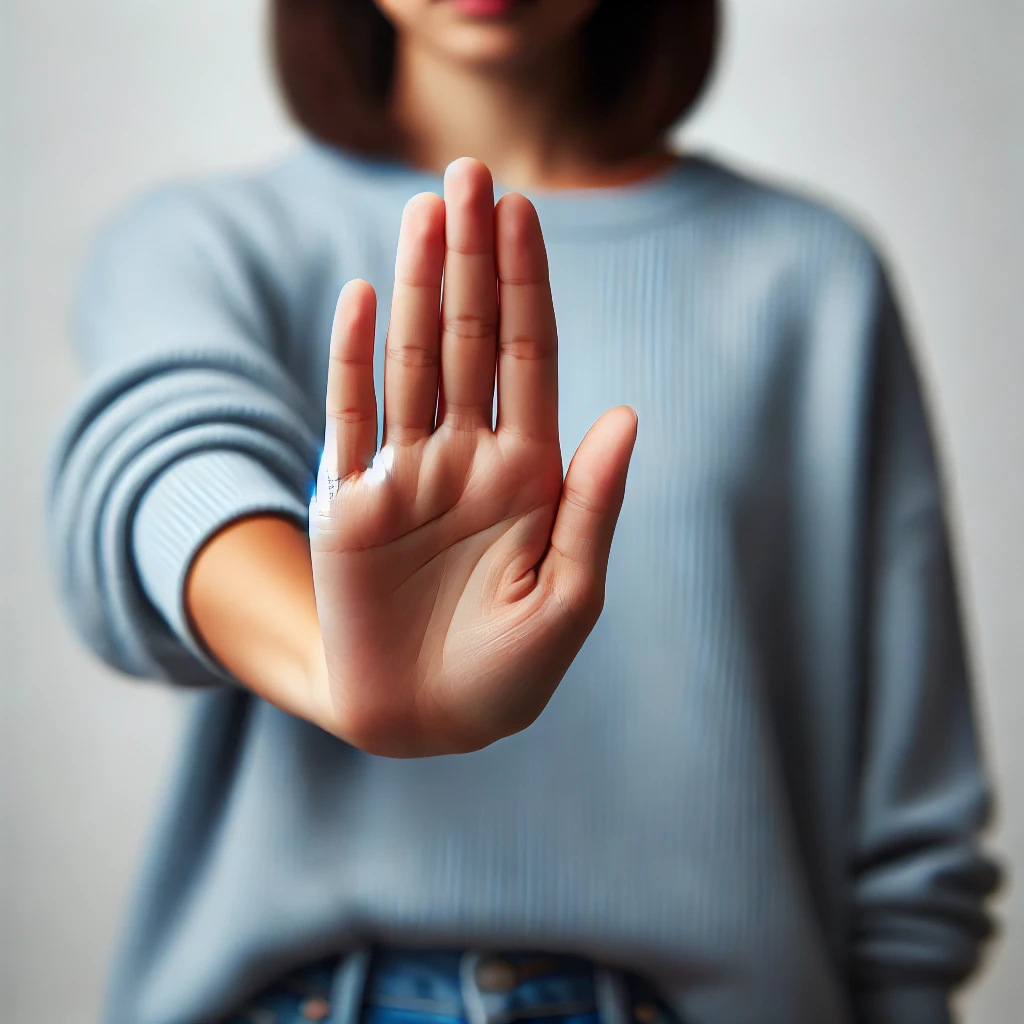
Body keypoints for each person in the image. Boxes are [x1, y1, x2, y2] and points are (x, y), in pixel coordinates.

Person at [48, 1, 1001, 1022]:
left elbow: (908, 830)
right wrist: (337, 665)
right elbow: (161, 464)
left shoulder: (813, 278)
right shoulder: (206, 242)